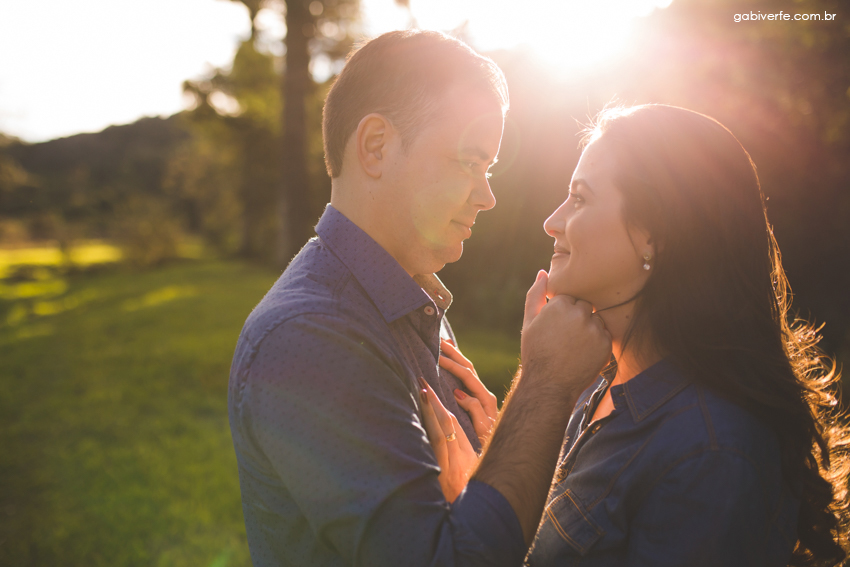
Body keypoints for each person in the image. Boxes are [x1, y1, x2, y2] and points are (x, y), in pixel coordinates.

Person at [227, 30, 613, 567]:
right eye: (469, 162)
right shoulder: (308, 335)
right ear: (377, 147)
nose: (488, 195)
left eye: (490, 168)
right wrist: (545, 384)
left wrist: (493, 458)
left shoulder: (406, 301)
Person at [436, 104, 850, 566]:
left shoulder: (711, 453)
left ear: (652, 235)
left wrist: (542, 381)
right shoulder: (598, 385)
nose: (552, 222)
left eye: (580, 198)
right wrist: (489, 489)